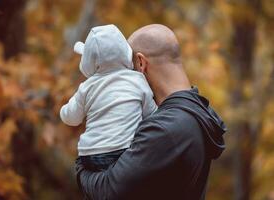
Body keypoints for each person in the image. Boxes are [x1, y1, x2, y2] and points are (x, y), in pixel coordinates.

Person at [75, 24, 227, 200]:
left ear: (141, 63)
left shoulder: (167, 127)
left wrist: (81, 163)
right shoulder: (194, 112)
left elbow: (106, 192)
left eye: (128, 70)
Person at [60, 24, 157, 172]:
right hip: (124, 152)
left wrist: (63, 111)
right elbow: (152, 114)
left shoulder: (87, 87)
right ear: (126, 52)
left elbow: (71, 118)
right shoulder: (137, 80)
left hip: (89, 154)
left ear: (88, 62)